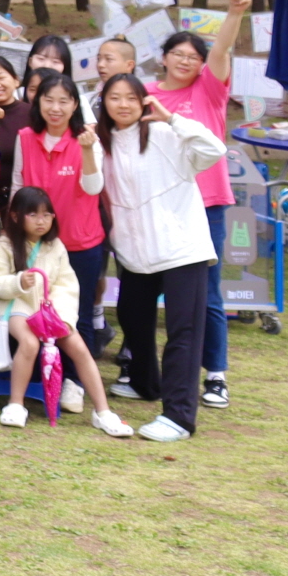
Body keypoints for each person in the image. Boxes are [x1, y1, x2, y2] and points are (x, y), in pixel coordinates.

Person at [98, 72, 226, 443]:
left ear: (145, 101)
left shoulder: (166, 134)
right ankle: (145, 383)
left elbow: (214, 150)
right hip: (136, 253)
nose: (123, 105)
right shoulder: (101, 142)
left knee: (183, 332)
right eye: (114, 97)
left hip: (181, 248)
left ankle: (179, 416)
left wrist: (173, 119)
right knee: (132, 317)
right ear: (104, 103)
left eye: (131, 98)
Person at [143, 0, 249, 411]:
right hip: (159, 204)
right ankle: (140, 366)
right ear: (164, 57)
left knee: (208, 292)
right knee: (148, 286)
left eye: (194, 57)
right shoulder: (145, 93)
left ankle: (216, 374)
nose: (186, 61)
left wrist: (235, 13)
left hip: (207, 204)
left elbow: (222, 50)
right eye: (178, 54)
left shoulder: (209, 90)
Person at [0, 185, 132, 437]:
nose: (41, 221)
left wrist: (61, 319)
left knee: (79, 347)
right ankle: (16, 404)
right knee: (29, 343)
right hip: (14, 305)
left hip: (49, 309)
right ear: (16, 216)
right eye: (33, 215)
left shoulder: (56, 246)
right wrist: (18, 282)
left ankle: (103, 412)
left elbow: (66, 286)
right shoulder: (5, 244)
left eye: (47, 215)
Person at [9, 74, 108, 361]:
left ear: (75, 105)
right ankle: (41, 374)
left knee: (78, 314)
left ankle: (74, 379)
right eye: (48, 100)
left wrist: (87, 150)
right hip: (35, 242)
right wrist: (14, 233)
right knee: (33, 309)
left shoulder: (88, 140)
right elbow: (17, 185)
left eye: (64, 101)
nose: (55, 108)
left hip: (80, 242)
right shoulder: (25, 137)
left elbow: (93, 187)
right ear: (37, 102)